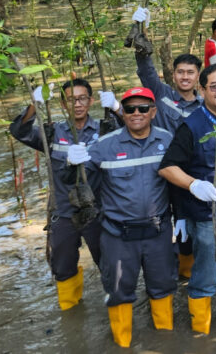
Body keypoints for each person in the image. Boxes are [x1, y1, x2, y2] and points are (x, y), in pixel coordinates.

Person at [66, 87, 176, 348]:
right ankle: (122, 344)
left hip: (158, 231)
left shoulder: (167, 139)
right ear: (123, 113)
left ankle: (168, 342)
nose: (136, 113)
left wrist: (183, 218)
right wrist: (71, 164)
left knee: (163, 287)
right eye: (129, 108)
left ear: (153, 112)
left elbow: (179, 180)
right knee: (117, 291)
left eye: (142, 108)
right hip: (118, 235)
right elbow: (77, 185)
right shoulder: (105, 145)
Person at [158, 64, 216, 335]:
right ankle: (201, 333)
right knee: (206, 277)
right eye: (214, 86)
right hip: (211, 217)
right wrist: (193, 184)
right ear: (202, 90)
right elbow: (167, 167)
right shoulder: (192, 125)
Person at [9, 79, 115, 311]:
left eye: (82, 98)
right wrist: (35, 104)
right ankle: (71, 313)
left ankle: (115, 303)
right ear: (63, 103)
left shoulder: (103, 130)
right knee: (63, 267)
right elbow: (19, 130)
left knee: (107, 261)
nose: (77, 104)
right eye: (71, 99)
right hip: (63, 212)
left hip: (97, 211)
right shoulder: (53, 132)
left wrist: (116, 109)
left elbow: (133, 132)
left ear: (91, 100)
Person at [131, 7, 206, 279]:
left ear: (198, 75)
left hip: (191, 172)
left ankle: (193, 267)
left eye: (190, 72)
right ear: (173, 75)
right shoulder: (161, 96)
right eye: (180, 72)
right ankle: (173, 271)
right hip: (161, 171)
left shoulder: (205, 106)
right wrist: (140, 30)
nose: (185, 77)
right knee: (163, 223)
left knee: (194, 221)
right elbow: (145, 70)